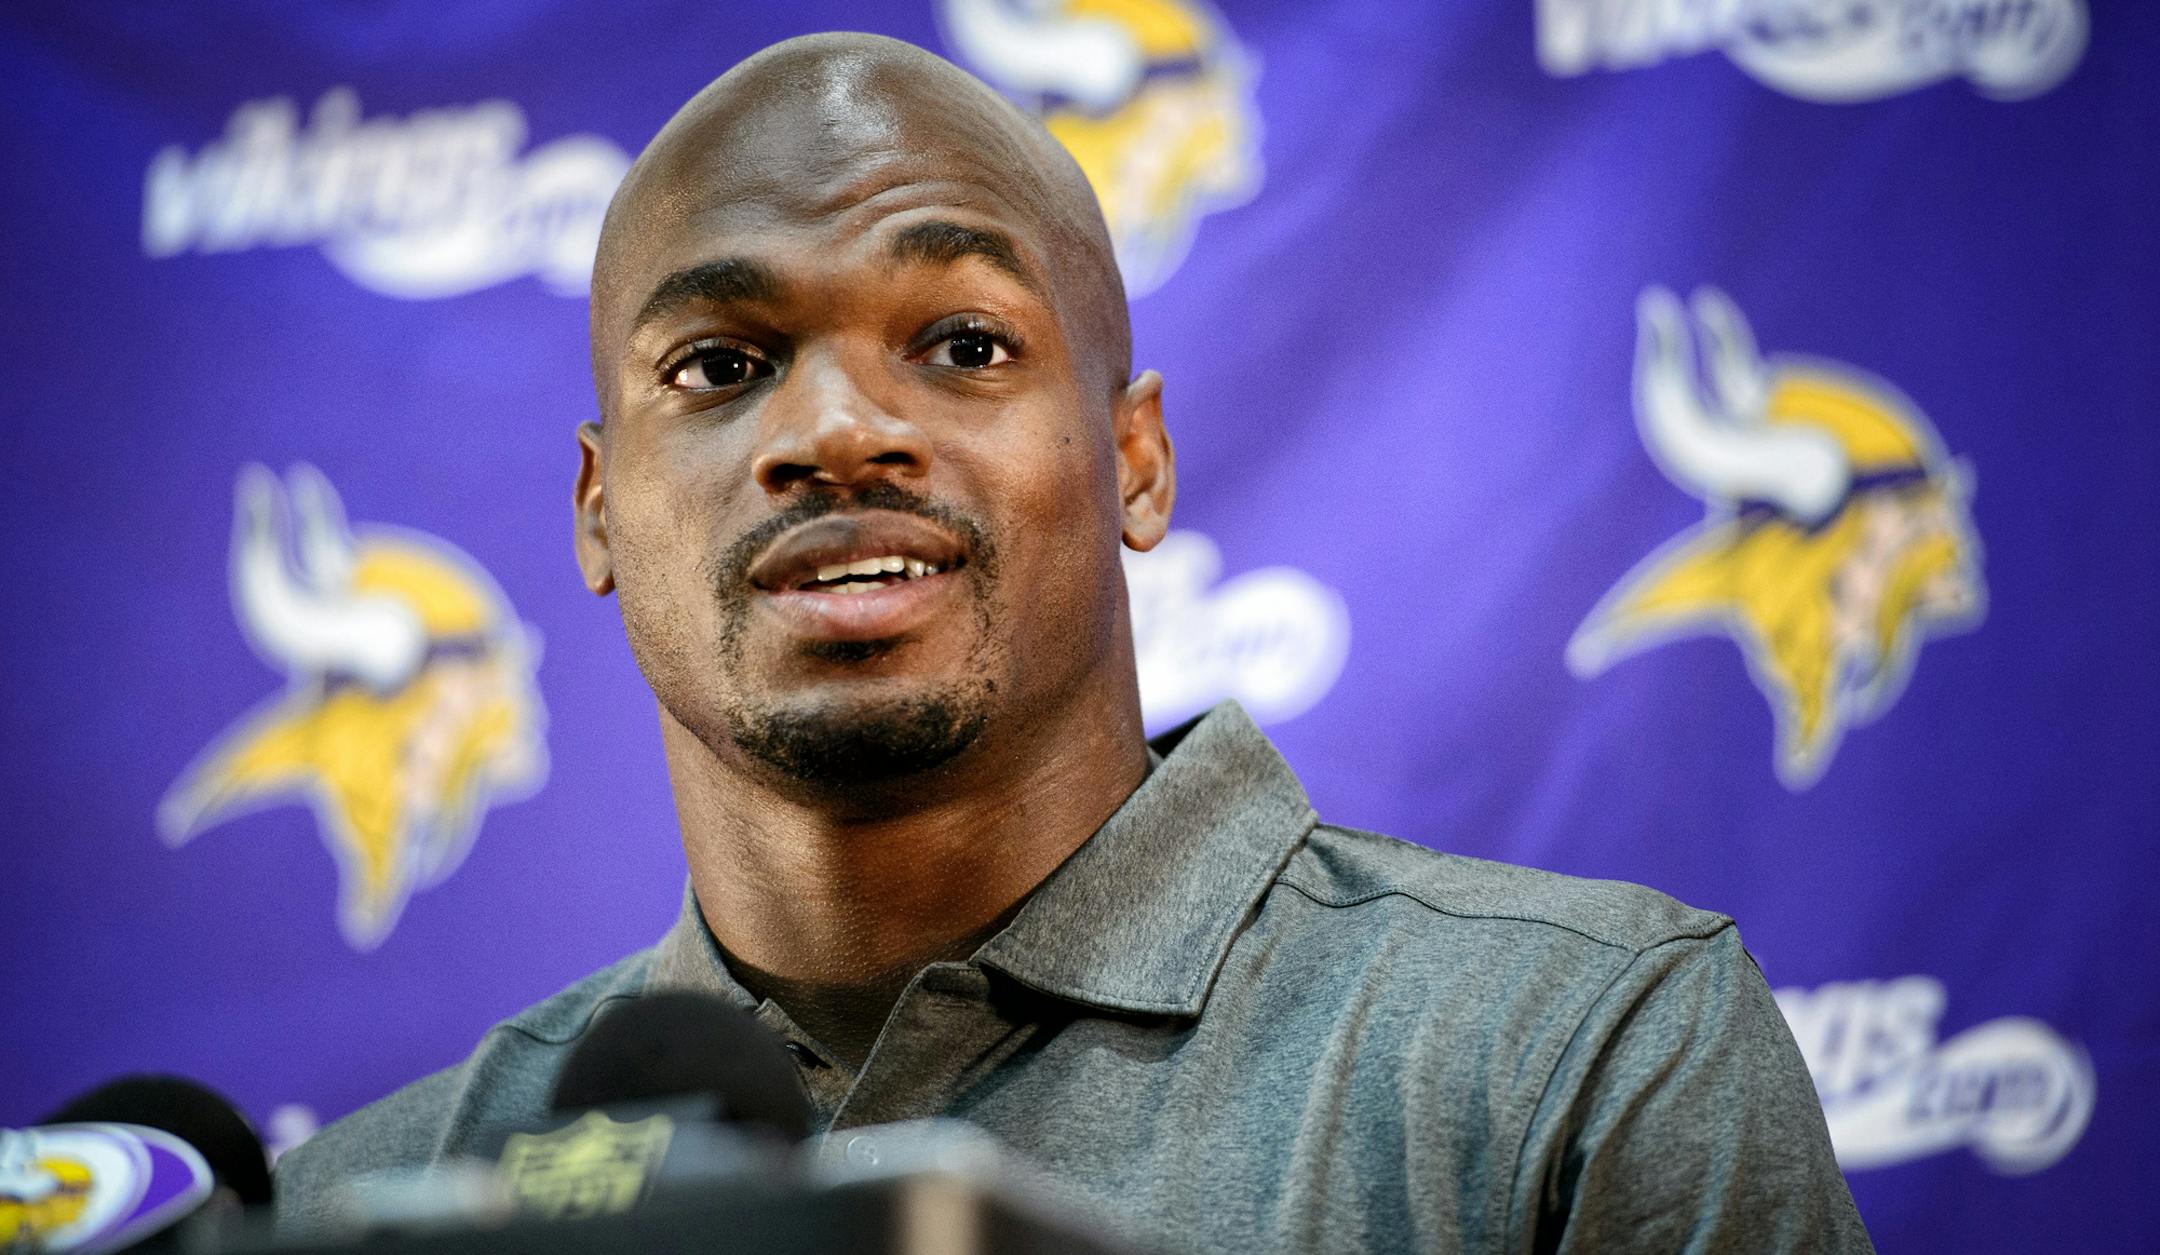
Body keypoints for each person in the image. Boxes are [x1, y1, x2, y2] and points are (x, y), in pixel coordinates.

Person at [275, 31, 1873, 1253]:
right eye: (719, 364)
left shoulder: (1571, 1062)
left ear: (1138, 462)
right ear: (599, 510)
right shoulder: (373, 1202)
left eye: (964, 345)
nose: (835, 430)